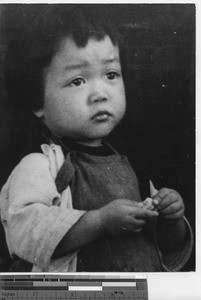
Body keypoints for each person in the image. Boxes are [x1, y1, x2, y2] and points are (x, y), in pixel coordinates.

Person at [0, 4, 193, 272]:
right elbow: (25, 231)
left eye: (111, 74)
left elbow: (166, 250)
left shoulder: (131, 166)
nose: (100, 94)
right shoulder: (41, 166)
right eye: (78, 80)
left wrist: (172, 222)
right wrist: (99, 222)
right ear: (37, 100)